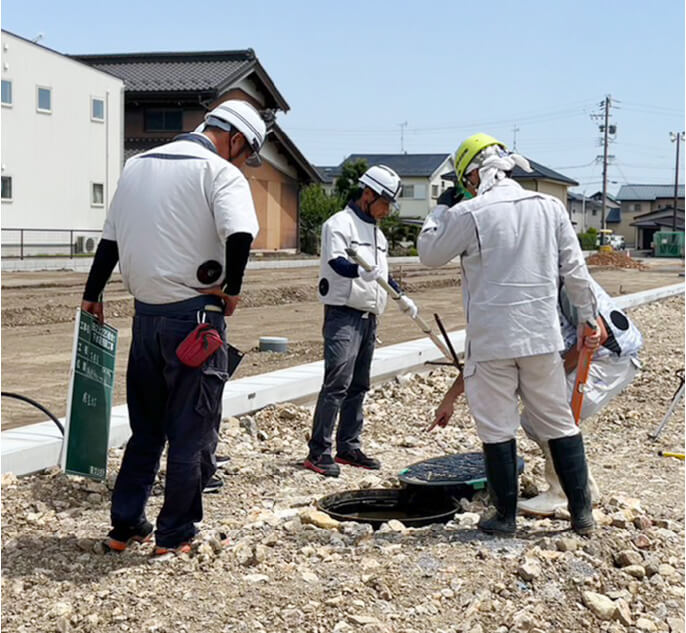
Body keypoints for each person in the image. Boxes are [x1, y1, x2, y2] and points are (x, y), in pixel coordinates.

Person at [80, 100, 267, 555]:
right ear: (236, 139)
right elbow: (240, 233)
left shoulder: (136, 165)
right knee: (191, 429)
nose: (242, 162)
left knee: (147, 428)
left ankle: (124, 526)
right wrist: (234, 288)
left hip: (146, 317)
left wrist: (92, 294)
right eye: (244, 154)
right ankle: (176, 534)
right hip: (196, 320)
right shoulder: (220, 173)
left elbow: (110, 240)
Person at [419, 133, 599, 536]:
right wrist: (589, 319)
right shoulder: (550, 208)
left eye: (463, 182)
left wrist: (442, 210)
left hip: (492, 341)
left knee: (497, 427)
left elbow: (429, 254)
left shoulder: (471, 212)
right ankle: (581, 514)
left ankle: (504, 516)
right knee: (558, 421)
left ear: (473, 174)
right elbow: (575, 273)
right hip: (540, 338)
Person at [305, 165, 418, 477]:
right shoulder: (339, 224)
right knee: (337, 382)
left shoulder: (378, 234)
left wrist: (400, 296)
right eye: (385, 202)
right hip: (343, 313)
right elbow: (336, 261)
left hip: (370, 316)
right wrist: (358, 272)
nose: (388, 209)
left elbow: (382, 275)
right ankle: (318, 450)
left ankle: (348, 446)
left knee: (359, 385)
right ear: (368, 194)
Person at [518, 277, 643, 515]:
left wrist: (555, 375)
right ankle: (582, 487)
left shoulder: (566, 286)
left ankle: (562, 492)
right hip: (601, 358)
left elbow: (596, 335)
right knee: (533, 419)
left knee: (547, 417)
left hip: (608, 360)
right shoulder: (552, 278)